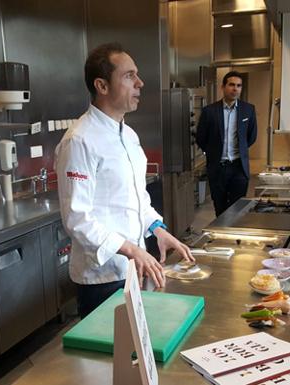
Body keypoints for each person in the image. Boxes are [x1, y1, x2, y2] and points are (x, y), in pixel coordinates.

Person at [55, 43, 194, 318]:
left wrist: (157, 229)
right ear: (102, 86)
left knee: (135, 352)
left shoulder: (129, 135)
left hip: (134, 266)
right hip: (102, 277)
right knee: (107, 357)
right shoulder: (79, 140)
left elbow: (137, 197)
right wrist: (130, 249)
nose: (140, 83)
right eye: (129, 76)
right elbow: (77, 218)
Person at [196, 71, 257, 217]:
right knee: (220, 208)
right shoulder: (209, 111)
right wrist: (214, 152)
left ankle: (235, 238)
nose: (235, 89)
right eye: (231, 85)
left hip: (239, 168)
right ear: (223, 87)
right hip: (218, 167)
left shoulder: (248, 110)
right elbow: (201, 137)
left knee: (238, 208)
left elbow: (251, 136)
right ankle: (222, 237)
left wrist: (240, 151)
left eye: (239, 86)